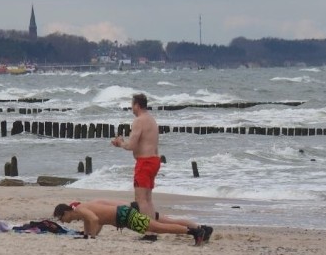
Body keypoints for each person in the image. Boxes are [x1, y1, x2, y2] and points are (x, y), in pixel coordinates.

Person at [111, 93, 160, 240]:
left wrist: (120, 143)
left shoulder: (139, 121)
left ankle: (148, 232)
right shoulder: (151, 119)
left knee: (141, 200)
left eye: (132, 105)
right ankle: (153, 230)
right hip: (154, 160)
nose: (131, 108)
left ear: (137, 105)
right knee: (148, 199)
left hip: (144, 162)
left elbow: (131, 146)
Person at [53, 200, 213, 245]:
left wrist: (91, 238)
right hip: (125, 213)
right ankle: (197, 229)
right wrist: (87, 235)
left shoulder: (80, 209)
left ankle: (194, 232)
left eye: (62, 218)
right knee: (161, 223)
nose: (64, 222)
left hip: (125, 216)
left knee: (159, 228)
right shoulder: (82, 209)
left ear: (66, 212)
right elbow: (95, 222)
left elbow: (94, 220)